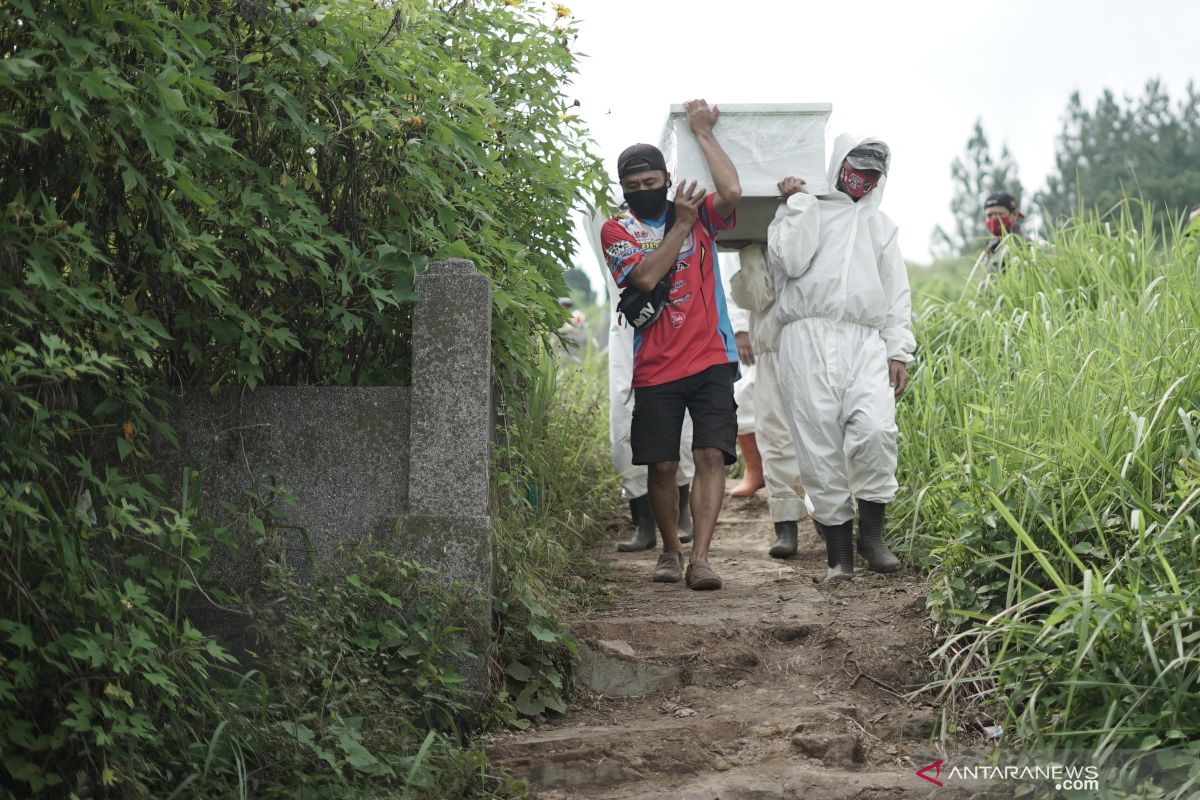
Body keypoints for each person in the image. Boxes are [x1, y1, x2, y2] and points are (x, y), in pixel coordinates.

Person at [600, 98, 742, 591]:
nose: (644, 191)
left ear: (665, 176)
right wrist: (679, 225)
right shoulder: (618, 229)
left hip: (711, 357)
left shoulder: (701, 212)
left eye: (652, 181)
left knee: (709, 456)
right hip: (656, 365)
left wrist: (704, 132)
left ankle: (700, 557)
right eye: (634, 186)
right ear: (624, 191)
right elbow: (642, 276)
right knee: (661, 463)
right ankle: (670, 549)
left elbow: (733, 190)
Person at [768, 135, 914, 582]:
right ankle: (839, 555)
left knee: (875, 430)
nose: (863, 179)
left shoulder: (881, 226)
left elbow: (897, 294)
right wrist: (798, 205)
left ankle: (872, 538)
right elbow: (790, 262)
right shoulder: (804, 208)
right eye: (857, 168)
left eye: (873, 174)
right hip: (806, 337)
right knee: (819, 444)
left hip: (865, 339)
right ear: (839, 164)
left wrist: (898, 349)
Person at [729, 242, 810, 558]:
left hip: (815, 340)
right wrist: (739, 328)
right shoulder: (753, 230)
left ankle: (825, 516)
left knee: (821, 435)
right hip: (769, 341)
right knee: (774, 434)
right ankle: (785, 522)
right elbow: (749, 291)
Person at [977, 190, 1028, 275]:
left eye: (999, 214)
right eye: (989, 215)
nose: (994, 219)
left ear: (1014, 215)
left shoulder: (1023, 244)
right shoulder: (993, 245)